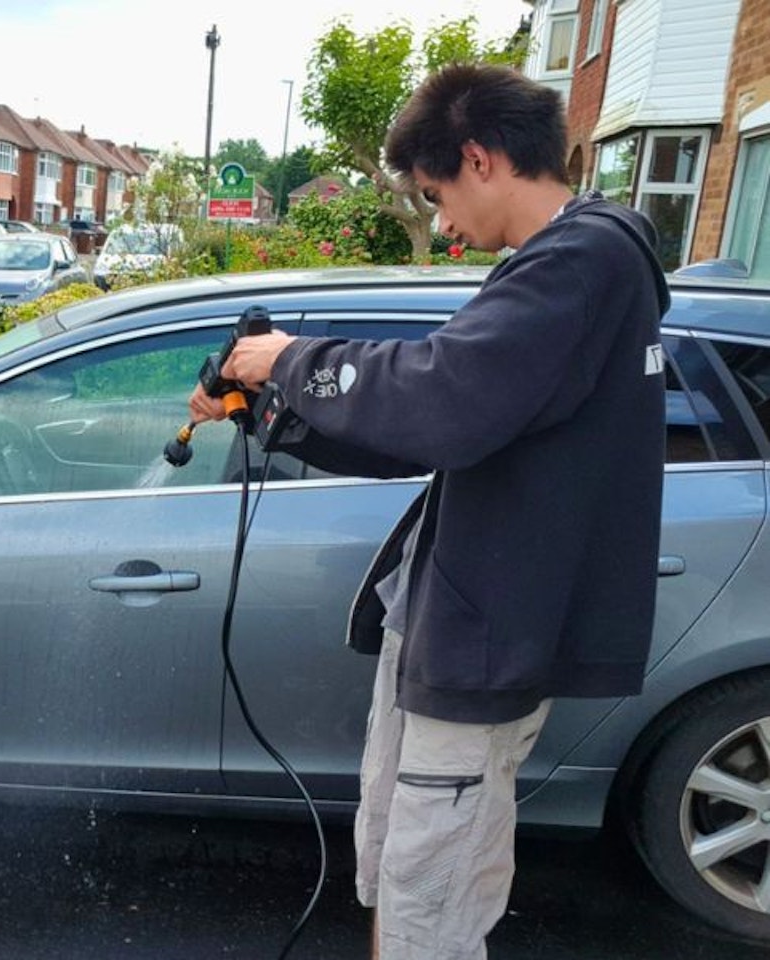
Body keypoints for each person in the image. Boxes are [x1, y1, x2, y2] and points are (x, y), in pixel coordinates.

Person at [188, 64, 669, 959]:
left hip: (485, 635)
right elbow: (442, 430)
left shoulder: (583, 260)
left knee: (429, 894)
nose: (443, 223)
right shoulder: (574, 266)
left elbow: (444, 395)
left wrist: (290, 360)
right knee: (412, 863)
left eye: (437, 194)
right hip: (461, 628)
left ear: (480, 159)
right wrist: (280, 415)